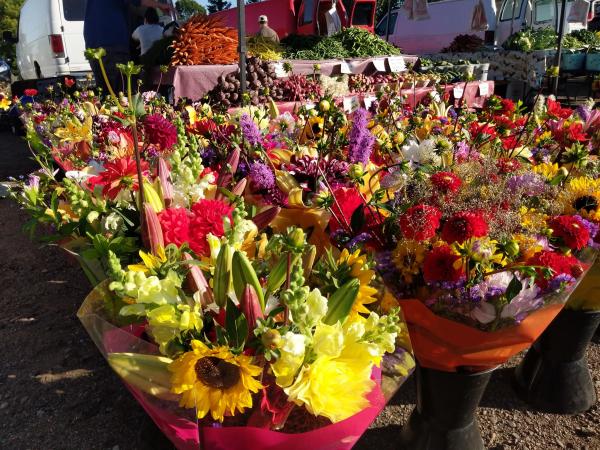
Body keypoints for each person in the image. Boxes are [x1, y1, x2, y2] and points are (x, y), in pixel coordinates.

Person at [84, 0, 173, 93]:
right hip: (112, 45)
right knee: (120, 94)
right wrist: (159, 5)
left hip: (92, 44)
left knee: (104, 92)